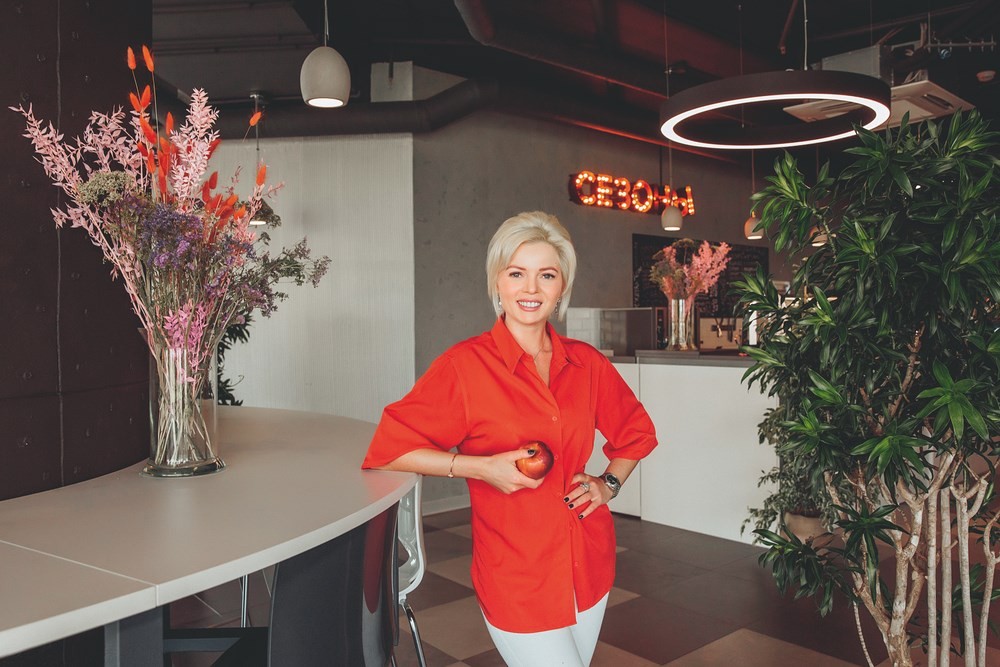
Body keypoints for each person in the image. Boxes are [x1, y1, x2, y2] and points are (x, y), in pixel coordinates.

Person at [362, 211, 657, 666]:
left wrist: (609, 484)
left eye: (547, 275)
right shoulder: (464, 367)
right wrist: (479, 467)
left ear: (562, 287)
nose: (531, 288)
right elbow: (389, 448)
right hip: (516, 574)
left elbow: (636, 432)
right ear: (497, 282)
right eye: (517, 273)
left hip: (589, 563)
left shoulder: (587, 363)